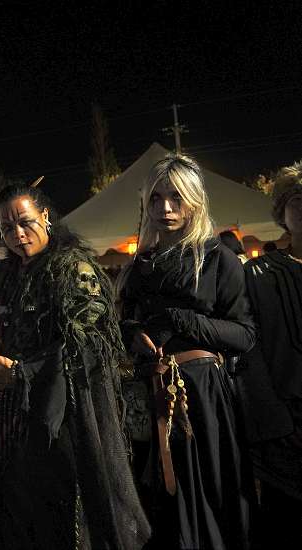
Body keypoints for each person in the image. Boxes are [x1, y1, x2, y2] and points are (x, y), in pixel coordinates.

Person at [0, 181, 150, 549]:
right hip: (5, 424)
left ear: (45, 216)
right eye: (6, 228)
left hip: (59, 419)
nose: (17, 234)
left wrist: (21, 372)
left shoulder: (74, 268)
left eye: (25, 222)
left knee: (58, 521)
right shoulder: (3, 274)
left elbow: (88, 345)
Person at [119, 154, 255, 549]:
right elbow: (124, 326)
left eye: (176, 197)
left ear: (194, 200)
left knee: (209, 498)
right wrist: (133, 334)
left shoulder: (218, 259)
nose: (165, 208)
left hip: (204, 398)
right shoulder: (139, 267)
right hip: (150, 397)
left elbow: (244, 334)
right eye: (156, 198)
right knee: (160, 507)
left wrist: (181, 320)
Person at [238, 160, 302, 546]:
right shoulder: (257, 275)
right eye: (297, 199)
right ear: (281, 210)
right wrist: (277, 422)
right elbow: (249, 350)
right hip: (284, 434)